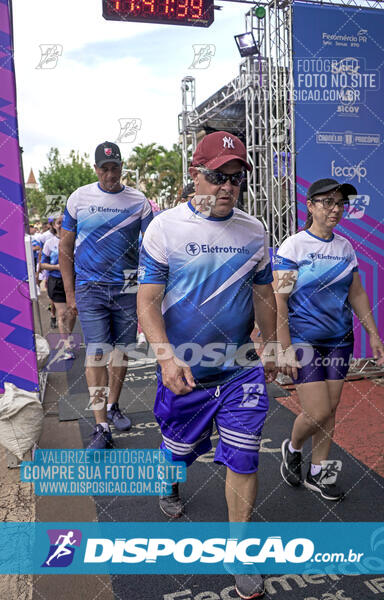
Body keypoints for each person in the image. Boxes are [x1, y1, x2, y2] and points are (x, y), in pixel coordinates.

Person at [137, 131, 277, 600]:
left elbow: (262, 292)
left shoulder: (254, 231)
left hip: (240, 368)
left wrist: (273, 343)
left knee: (243, 455)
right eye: (217, 176)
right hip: (186, 371)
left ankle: (238, 552)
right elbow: (148, 301)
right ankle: (170, 481)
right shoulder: (163, 229)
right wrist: (165, 355)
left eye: (236, 179)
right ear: (194, 175)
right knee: (178, 448)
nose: (227, 187)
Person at [274, 178, 384, 501]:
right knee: (317, 411)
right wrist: (284, 348)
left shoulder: (345, 248)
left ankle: (320, 472)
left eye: (340, 204)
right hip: (304, 341)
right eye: (327, 203)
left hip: (339, 339)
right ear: (309, 205)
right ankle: (293, 448)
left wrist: (374, 335)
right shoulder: (294, 246)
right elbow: (280, 300)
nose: (335, 210)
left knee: (331, 409)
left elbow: (357, 293)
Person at [59, 141, 153, 450]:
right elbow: (65, 247)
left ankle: (113, 406)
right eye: (105, 168)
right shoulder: (79, 198)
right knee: (96, 353)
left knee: (122, 354)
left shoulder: (138, 201)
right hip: (91, 288)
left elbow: (153, 247)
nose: (110, 174)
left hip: (127, 287)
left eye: (115, 167)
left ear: (122, 167)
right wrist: (71, 292)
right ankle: (100, 425)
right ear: (96, 168)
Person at [40, 215, 77, 358]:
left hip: (73, 280)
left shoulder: (75, 240)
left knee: (72, 312)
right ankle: (67, 345)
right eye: (58, 223)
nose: (61, 225)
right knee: (62, 314)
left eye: (64, 222)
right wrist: (57, 266)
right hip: (56, 282)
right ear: (54, 225)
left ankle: (68, 336)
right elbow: (42, 264)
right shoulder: (49, 243)